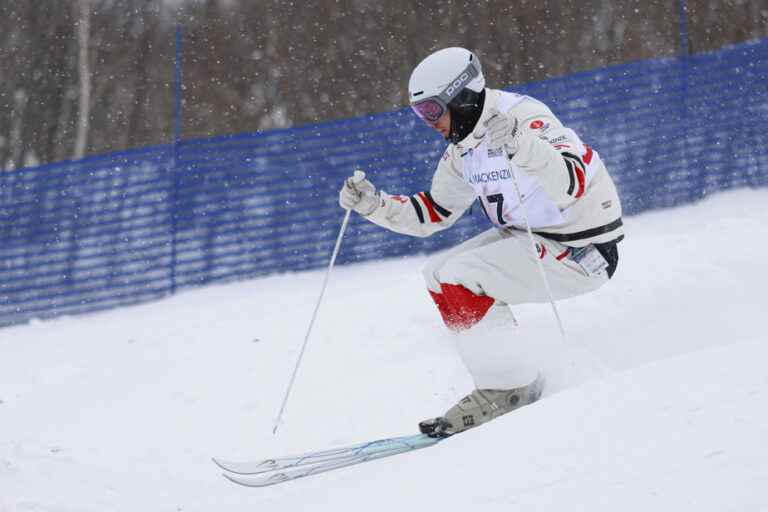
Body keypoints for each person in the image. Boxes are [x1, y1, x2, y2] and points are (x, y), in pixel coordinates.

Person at [338, 47, 624, 438]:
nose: (429, 123)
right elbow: (435, 211)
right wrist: (374, 205)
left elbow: (571, 182)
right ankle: (503, 378)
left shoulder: (524, 117)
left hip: (581, 249)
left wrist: (523, 145)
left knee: (460, 275)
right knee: (436, 274)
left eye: (433, 111)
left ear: (461, 96)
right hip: (532, 237)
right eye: (420, 114)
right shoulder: (464, 148)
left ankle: (511, 386)